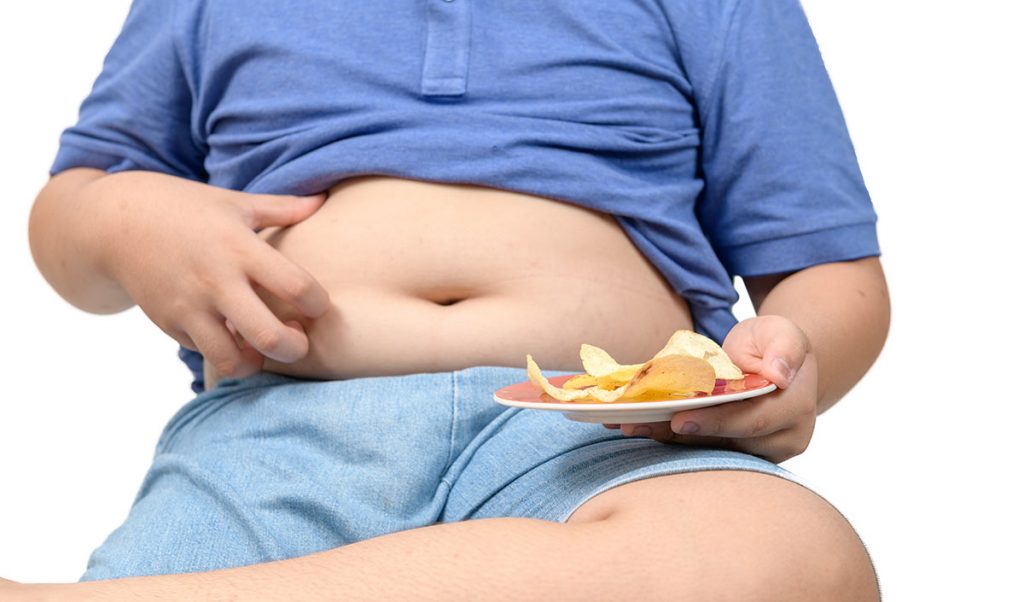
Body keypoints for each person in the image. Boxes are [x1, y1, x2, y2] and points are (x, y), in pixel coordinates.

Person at [4, 0, 889, 599]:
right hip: (273, 437)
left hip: (602, 433)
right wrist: (127, 218)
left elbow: (831, 272)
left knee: (797, 561)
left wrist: (787, 355)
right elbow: (71, 223)